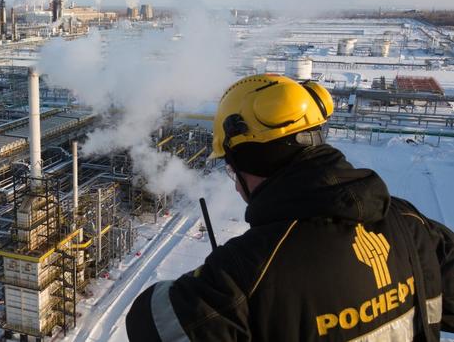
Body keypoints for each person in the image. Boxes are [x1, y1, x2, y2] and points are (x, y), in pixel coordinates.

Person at [125, 74, 454, 341]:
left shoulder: (248, 271)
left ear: (253, 164)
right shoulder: (410, 223)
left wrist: (221, 274)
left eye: (232, 171)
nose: (235, 185)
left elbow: (150, 322)